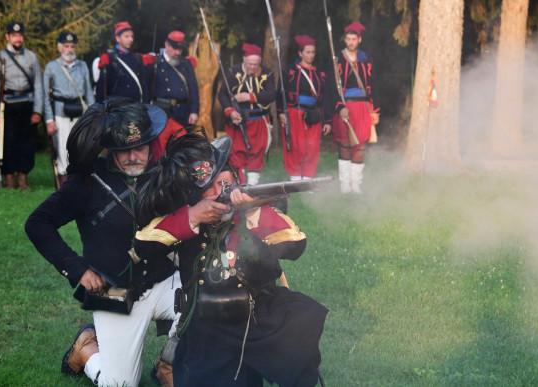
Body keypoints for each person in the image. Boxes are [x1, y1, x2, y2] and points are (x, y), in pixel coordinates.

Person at [134, 133, 328, 386]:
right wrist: (192, 217)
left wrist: (254, 210)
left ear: (237, 180)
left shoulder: (255, 210)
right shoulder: (190, 218)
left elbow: (295, 245)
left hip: (256, 314)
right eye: (210, 189)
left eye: (226, 185)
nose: (220, 194)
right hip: (206, 323)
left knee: (301, 332)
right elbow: (143, 244)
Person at [25, 100, 179, 386]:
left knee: (206, 302)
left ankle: (168, 367)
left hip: (165, 282)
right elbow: (37, 223)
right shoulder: (86, 183)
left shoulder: (165, 174)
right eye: (124, 150)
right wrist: (79, 270)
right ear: (110, 149)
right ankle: (86, 350)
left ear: (151, 145)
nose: (134, 156)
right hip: (115, 293)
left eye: (141, 147)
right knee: (119, 384)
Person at [0, 21, 44, 190]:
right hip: (7, 106)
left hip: (27, 104)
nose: (18, 38)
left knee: (26, 144)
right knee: (8, 143)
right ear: (7, 36)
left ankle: (23, 179)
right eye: (14, 35)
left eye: (20, 35)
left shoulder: (31, 57)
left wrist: (38, 110)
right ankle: (8, 179)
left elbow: (38, 84)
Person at [331, 22, 380, 193]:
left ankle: (356, 186)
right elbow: (331, 87)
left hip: (363, 108)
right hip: (344, 107)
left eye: (354, 39)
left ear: (359, 39)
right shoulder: (336, 58)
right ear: (344, 40)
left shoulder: (366, 59)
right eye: (348, 39)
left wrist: (375, 110)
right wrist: (339, 107)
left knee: (359, 147)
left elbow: (373, 84)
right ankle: (345, 187)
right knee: (344, 145)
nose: (351, 42)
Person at [277, 35, 333, 181]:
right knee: (295, 147)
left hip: (314, 114)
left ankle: (307, 180)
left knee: (312, 149)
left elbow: (326, 98)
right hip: (294, 113)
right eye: (307, 52)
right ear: (300, 53)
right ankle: (295, 181)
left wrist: (327, 121)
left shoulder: (320, 74)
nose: (310, 55)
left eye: (312, 52)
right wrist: (280, 113)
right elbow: (279, 93)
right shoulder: (289, 72)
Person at [218, 43, 275, 186]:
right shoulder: (232, 72)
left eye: (256, 64)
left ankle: (253, 187)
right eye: (250, 64)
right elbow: (222, 94)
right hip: (237, 121)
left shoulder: (267, 73)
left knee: (257, 153)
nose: (252, 67)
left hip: (259, 120)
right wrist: (230, 111)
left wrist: (249, 97)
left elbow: (270, 95)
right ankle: (240, 186)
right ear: (244, 59)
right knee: (237, 153)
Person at [43, 31, 94, 185]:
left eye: (72, 46)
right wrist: (49, 119)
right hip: (60, 111)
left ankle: (78, 180)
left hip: (80, 111)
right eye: (66, 46)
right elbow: (45, 95)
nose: (70, 49)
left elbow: (89, 92)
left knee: (80, 148)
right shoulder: (52, 67)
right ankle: (64, 182)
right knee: (63, 148)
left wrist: (93, 116)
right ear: (60, 48)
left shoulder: (83, 66)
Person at [148, 30, 200, 150]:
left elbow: (193, 89)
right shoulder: (156, 63)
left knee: (182, 150)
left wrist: (194, 111)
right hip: (161, 113)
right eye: (175, 49)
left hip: (181, 113)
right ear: (167, 45)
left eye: (180, 49)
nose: (178, 52)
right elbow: (148, 89)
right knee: (158, 150)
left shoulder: (186, 64)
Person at [95, 21, 149, 104]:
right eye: (126, 36)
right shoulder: (109, 58)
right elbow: (101, 87)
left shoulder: (138, 59)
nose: (131, 39)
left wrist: (146, 107)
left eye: (132, 36)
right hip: (116, 108)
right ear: (118, 38)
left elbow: (144, 86)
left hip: (135, 108)